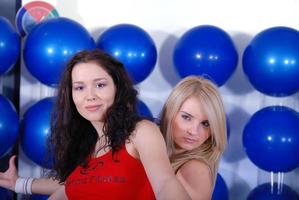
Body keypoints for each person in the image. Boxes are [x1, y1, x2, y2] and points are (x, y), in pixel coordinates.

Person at [0, 49, 190, 200]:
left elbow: (165, 183)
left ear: (117, 88)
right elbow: (73, 185)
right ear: (71, 96)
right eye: (79, 87)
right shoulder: (86, 146)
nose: (89, 95)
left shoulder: (141, 132)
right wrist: (18, 184)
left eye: (100, 85)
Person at [160, 76, 227, 199]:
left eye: (205, 124)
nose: (194, 131)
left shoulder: (196, 170)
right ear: (169, 113)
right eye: (186, 117)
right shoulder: (154, 150)